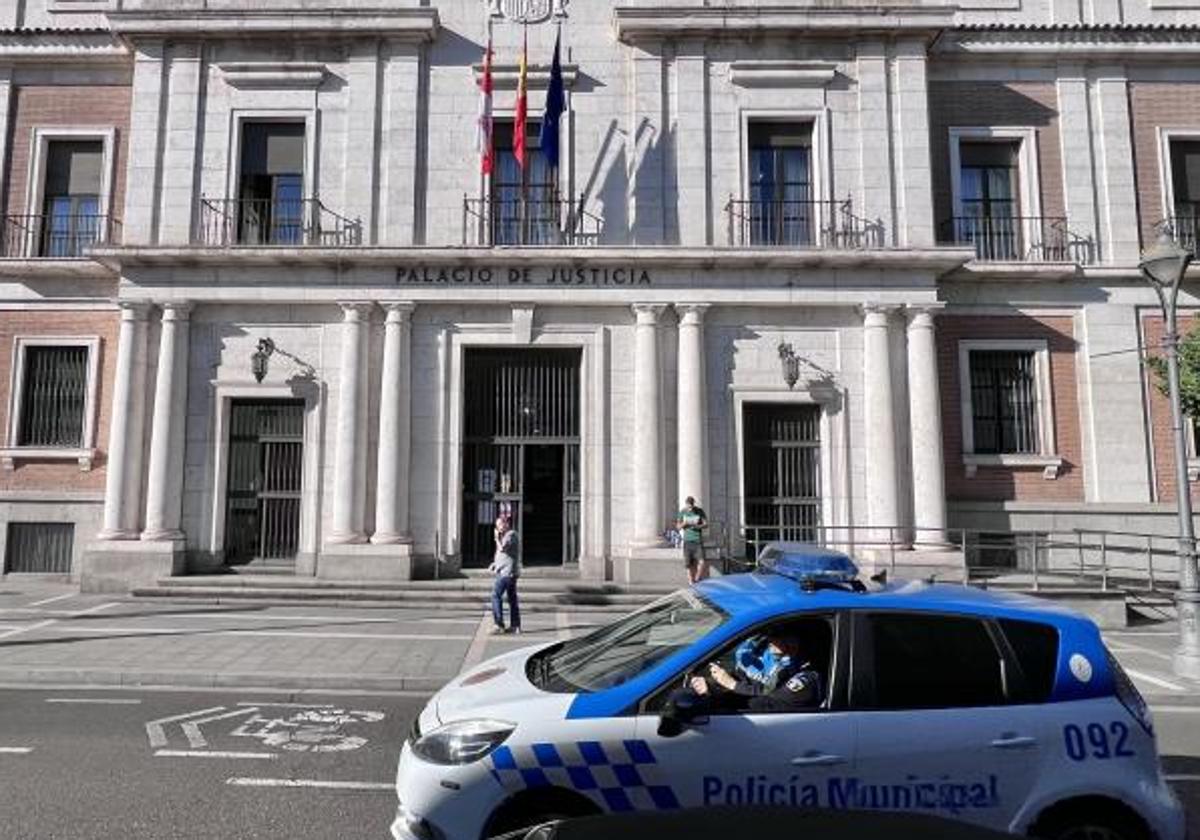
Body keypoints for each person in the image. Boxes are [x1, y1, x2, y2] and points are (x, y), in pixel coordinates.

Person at [688, 632, 822, 713]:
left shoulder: (803, 678)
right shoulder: (758, 642)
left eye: (779, 634)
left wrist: (721, 691)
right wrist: (713, 683)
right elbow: (732, 668)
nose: (770, 637)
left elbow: (759, 704)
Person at [488, 515, 521, 635]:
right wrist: (495, 564)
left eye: (500, 525)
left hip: (507, 574)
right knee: (512, 599)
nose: (499, 528)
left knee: (495, 595)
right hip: (507, 572)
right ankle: (515, 626)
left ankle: (499, 624)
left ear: (506, 524)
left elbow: (502, 549)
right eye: (497, 526)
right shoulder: (506, 536)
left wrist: (496, 538)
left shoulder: (511, 535)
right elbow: (505, 556)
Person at [675, 496, 709, 584]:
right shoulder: (682, 512)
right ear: (686, 504)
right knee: (688, 563)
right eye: (689, 506)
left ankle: (697, 578)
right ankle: (691, 581)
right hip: (687, 540)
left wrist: (697, 526)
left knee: (702, 561)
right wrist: (684, 523)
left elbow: (706, 524)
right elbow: (678, 527)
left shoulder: (699, 511)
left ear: (694, 504)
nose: (690, 508)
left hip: (697, 539)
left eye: (692, 506)